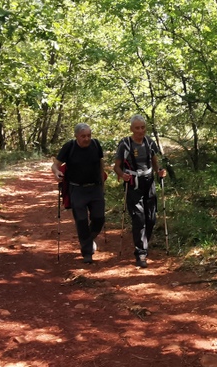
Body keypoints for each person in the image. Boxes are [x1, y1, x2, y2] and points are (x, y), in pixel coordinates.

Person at [114, 115, 166, 268]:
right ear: (131, 129)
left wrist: (159, 171)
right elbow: (116, 166)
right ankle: (141, 253)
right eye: (137, 128)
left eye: (142, 127)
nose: (140, 130)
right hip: (132, 183)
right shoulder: (125, 144)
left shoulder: (149, 142)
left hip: (149, 182)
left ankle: (144, 244)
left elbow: (155, 162)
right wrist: (121, 174)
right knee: (139, 217)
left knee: (151, 218)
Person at [53, 123, 108, 263]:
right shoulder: (69, 147)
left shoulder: (95, 144)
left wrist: (102, 181)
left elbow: (100, 162)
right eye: (83, 136)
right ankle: (87, 253)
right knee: (81, 221)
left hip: (95, 188)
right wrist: (57, 172)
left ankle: (87, 241)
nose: (87, 139)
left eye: (89, 135)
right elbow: (55, 165)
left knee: (99, 218)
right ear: (76, 136)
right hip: (77, 189)